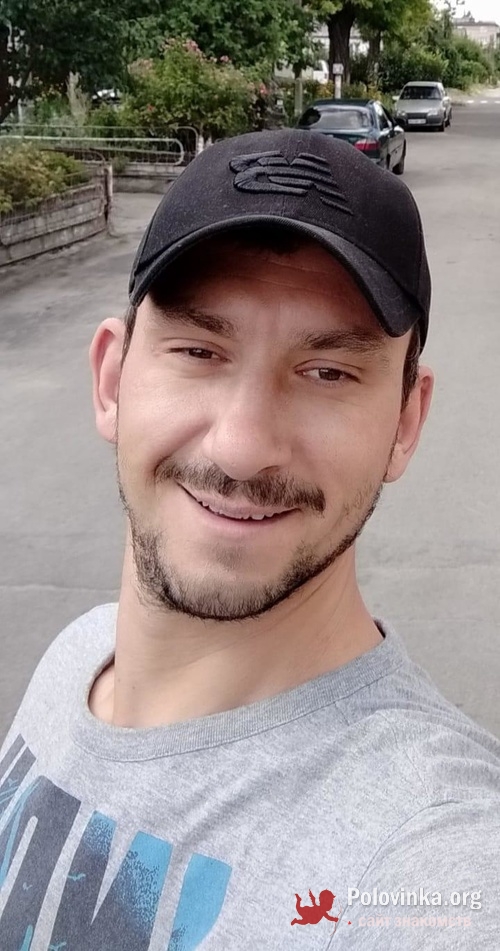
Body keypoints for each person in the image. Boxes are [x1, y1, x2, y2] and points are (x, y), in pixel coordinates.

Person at [0, 129, 499, 950]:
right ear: (111, 379)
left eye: (328, 372)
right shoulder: (76, 659)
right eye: (200, 350)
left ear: (406, 423)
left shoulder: (432, 852)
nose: (241, 446)